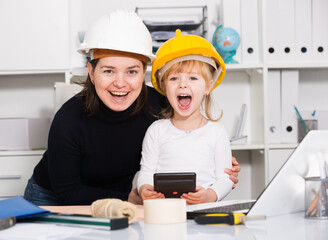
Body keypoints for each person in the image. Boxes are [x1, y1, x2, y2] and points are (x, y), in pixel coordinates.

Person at [23, 10, 240, 206]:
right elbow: (67, 192)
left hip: (125, 197)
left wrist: (218, 167)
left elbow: (184, 141)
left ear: (143, 71)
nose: (120, 83)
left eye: (131, 72)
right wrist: (126, 197)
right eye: (108, 71)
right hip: (54, 197)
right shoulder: (69, 119)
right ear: (91, 72)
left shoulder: (161, 105)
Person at [137, 29, 233, 204]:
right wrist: (144, 188)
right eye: (174, 79)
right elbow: (146, 173)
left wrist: (210, 195)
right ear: (164, 88)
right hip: (164, 210)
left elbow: (225, 178)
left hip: (203, 212)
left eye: (193, 78)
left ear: (208, 87)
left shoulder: (217, 133)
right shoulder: (156, 130)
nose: (182, 84)